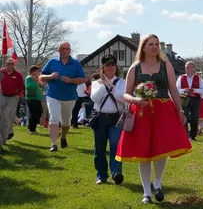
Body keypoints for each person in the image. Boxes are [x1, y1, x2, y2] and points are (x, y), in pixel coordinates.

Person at [116, 34, 192, 204]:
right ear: (143, 47)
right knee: (143, 152)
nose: (154, 47)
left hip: (164, 110)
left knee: (161, 148)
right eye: (151, 44)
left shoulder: (166, 66)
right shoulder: (135, 68)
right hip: (141, 112)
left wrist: (180, 109)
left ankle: (157, 183)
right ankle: (146, 192)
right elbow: (126, 93)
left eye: (157, 44)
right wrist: (136, 99)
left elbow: (173, 89)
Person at [40, 42, 86, 152]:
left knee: (66, 121)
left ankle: (63, 136)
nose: (65, 51)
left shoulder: (75, 63)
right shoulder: (52, 62)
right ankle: (53, 144)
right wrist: (50, 76)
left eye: (67, 49)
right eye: (63, 49)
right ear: (58, 50)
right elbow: (41, 76)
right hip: (53, 95)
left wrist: (71, 80)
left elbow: (82, 79)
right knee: (54, 118)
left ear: (70, 50)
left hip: (69, 97)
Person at [90, 54, 126, 185]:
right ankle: (101, 174)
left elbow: (124, 99)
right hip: (100, 118)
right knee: (99, 147)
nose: (110, 67)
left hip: (116, 118)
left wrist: (113, 89)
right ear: (103, 68)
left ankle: (116, 173)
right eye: (107, 65)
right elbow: (95, 98)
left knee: (116, 146)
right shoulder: (96, 83)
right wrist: (104, 84)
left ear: (116, 67)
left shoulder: (122, 82)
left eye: (113, 65)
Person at [176, 62, 203, 141]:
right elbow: (176, 89)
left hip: (195, 99)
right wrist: (184, 90)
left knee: (195, 117)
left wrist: (195, 90)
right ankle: (185, 135)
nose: (188, 69)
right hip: (184, 99)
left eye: (189, 67)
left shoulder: (198, 78)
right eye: (186, 67)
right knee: (184, 116)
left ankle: (193, 135)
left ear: (193, 68)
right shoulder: (181, 77)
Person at [0, 57, 24, 144]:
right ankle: (6, 134)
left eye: (11, 64)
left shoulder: (18, 74)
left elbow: (22, 86)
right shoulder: (1, 72)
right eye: (8, 63)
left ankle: (7, 133)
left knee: (8, 114)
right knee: (2, 115)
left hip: (13, 97)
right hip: (2, 96)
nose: (9, 65)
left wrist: (17, 92)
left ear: (14, 65)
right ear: (5, 64)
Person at [24, 65, 44, 135]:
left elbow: (42, 85)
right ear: (33, 71)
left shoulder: (38, 78)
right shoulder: (28, 78)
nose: (38, 72)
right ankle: (31, 129)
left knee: (40, 112)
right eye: (37, 70)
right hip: (31, 98)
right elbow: (29, 86)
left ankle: (33, 126)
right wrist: (35, 81)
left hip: (37, 98)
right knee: (33, 113)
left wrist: (39, 82)